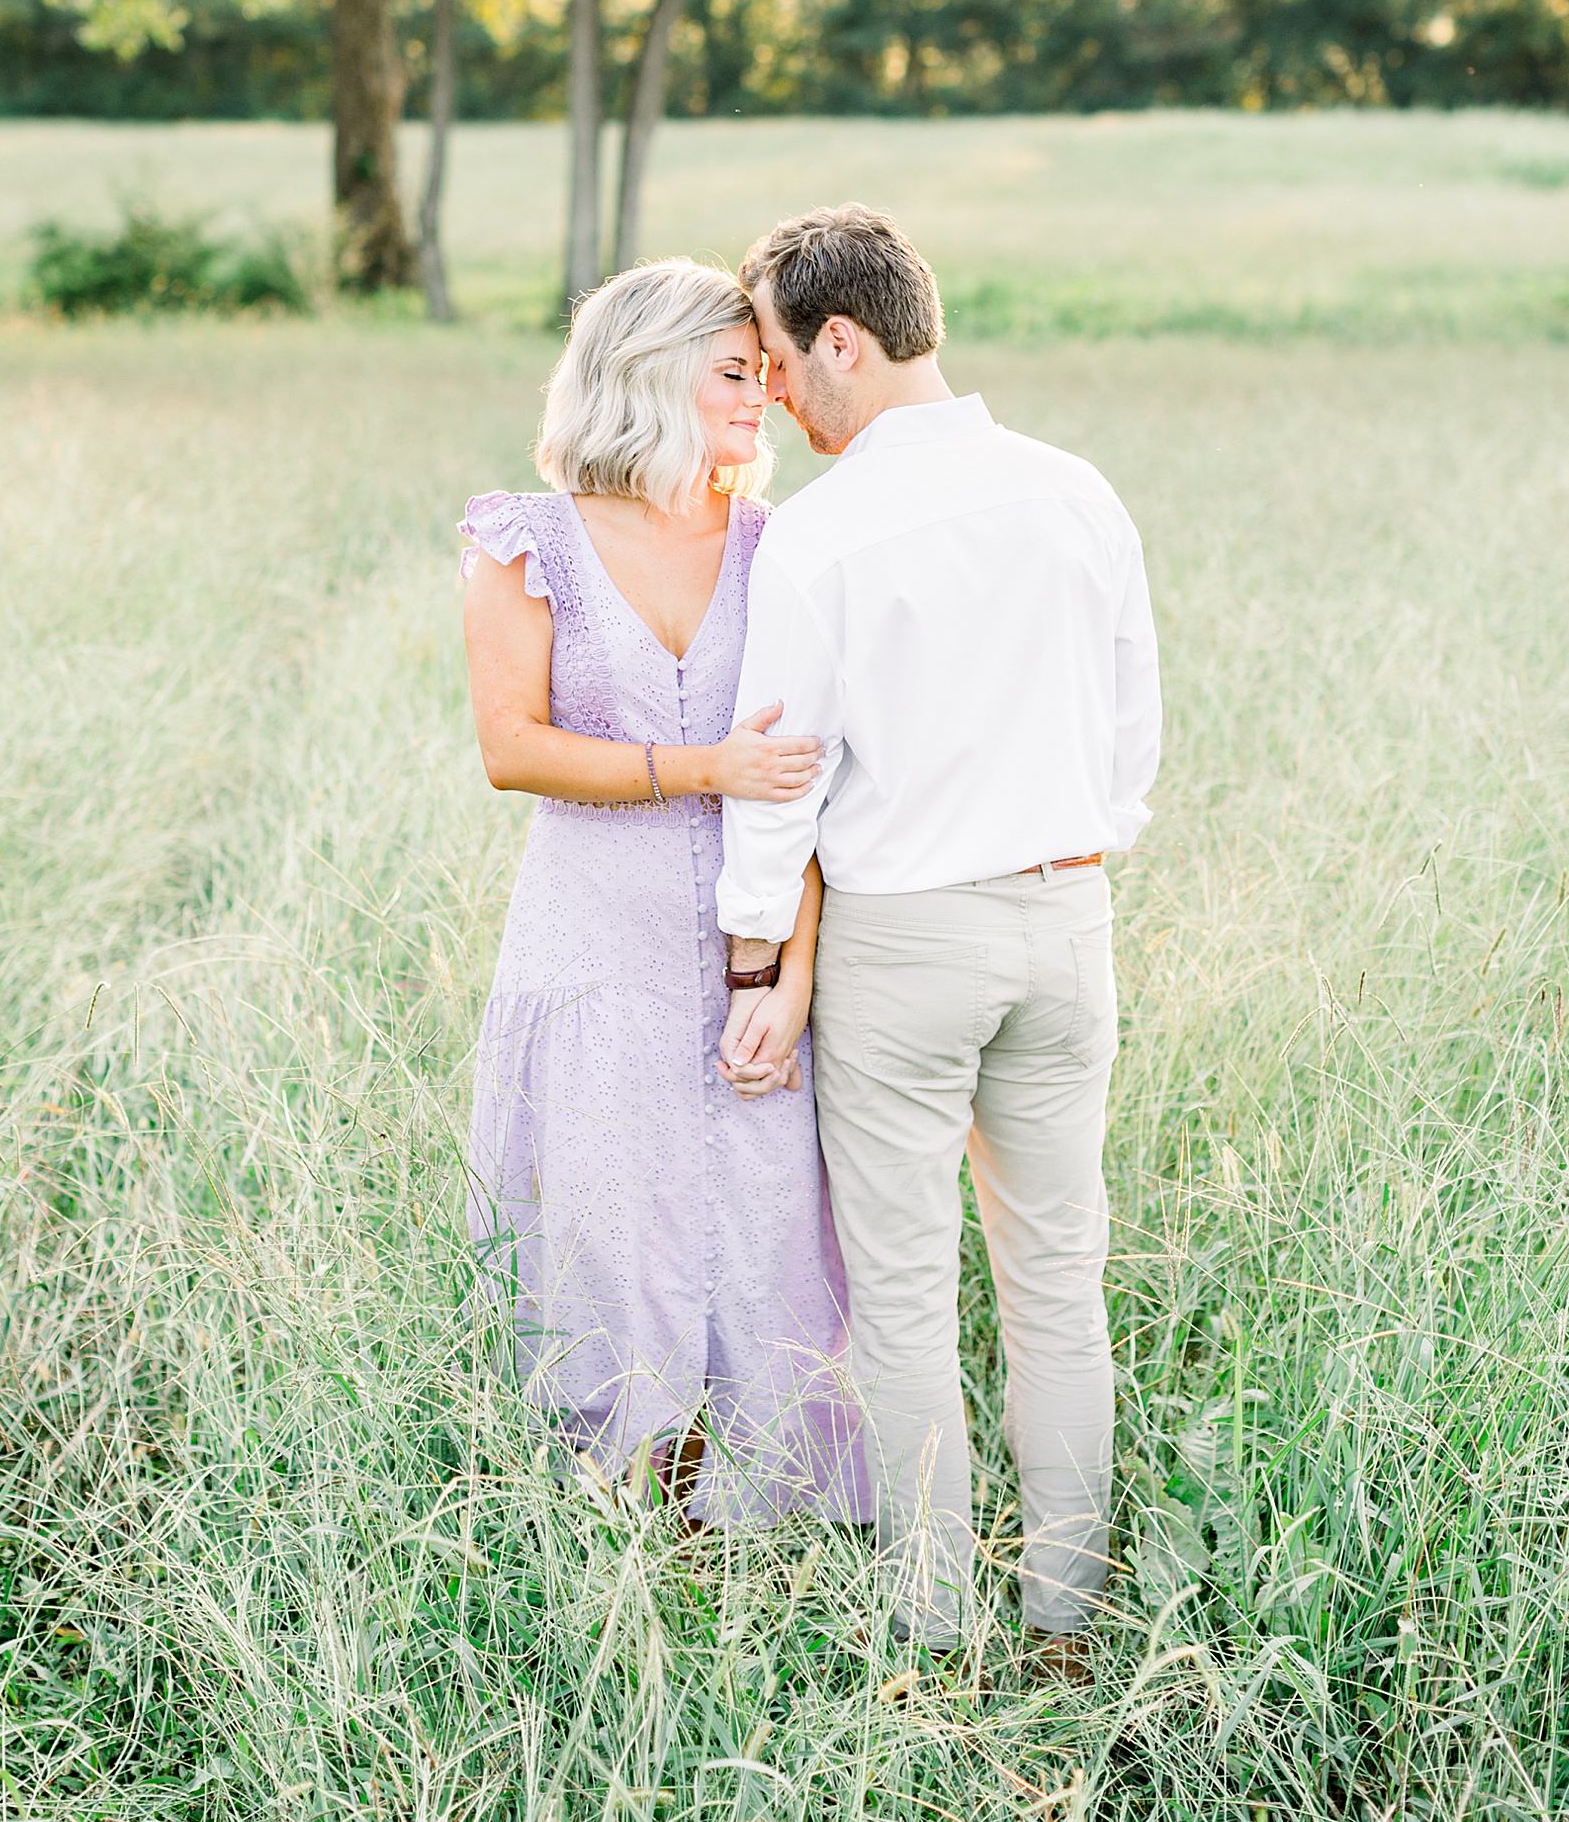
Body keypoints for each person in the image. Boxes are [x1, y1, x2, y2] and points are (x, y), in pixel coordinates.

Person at [714, 204, 1161, 1656]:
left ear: (842, 339)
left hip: (904, 942)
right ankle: (1067, 1615)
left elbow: (781, 779)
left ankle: (934, 1627)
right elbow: (1133, 738)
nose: (772, 390)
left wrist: (750, 957)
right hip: (1068, 916)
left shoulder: (822, 536)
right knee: (1057, 1285)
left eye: (777, 358)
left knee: (903, 1302)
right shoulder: (1078, 490)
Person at [458, 257, 867, 1526]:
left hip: (754, 946)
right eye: (738, 371)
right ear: (649, 371)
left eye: (767, 370)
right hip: (595, 939)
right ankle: (618, 1516)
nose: (766, 395)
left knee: (764, 1226)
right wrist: (704, 766)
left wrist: (793, 975)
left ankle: (768, 1527)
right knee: (608, 1225)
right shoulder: (527, 538)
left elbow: (813, 780)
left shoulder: (779, 544)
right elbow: (511, 745)